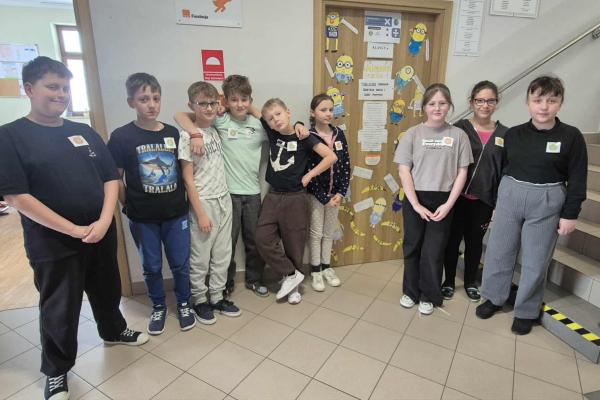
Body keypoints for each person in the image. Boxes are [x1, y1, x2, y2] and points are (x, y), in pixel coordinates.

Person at [0, 56, 148, 400]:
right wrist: (72, 230)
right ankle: (56, 370)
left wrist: (105, 220)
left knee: (107, 289)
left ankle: (113, 330)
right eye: (52, 87)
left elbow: (110, 177)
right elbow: (17, 196)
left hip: (99, 232)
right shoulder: (10, 136)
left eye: (65, 88)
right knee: (60, 307)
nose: (61, 94)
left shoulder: (83, 132)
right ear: (29, 89)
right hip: (53, 241)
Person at [476, 76, 588, 335]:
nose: (544, 106)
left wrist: (571, 214)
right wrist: (496, 205)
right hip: (510, 195)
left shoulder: (571, 136)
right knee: (498, 251)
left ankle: (526, 310)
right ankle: (494, 297)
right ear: (528, 103)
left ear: (560, 103)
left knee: (536, 260)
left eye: (551, 100)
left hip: (547, 200)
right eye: (537, 100)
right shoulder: (513, 134)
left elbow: (578, 177)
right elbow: (503, 170)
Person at [107, 73, 195, 335]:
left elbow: (183, 170)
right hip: (142, 217)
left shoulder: (172, 133)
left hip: (176, 214)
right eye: (144, 99)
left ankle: (184, 303)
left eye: (156, 98)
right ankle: (158, 305)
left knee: (180, 263)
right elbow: (115, 177)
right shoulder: (121, 137)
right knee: (152, 267)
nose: (152, 105)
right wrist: (127, 204)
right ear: (131, 102)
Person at [174, 75, 269, 298]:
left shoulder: (258, 125)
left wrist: (251, 108)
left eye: (244, 99)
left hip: (253, 193)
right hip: (227, 194)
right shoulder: (219, 121)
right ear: (225, 101)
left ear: (250, 100)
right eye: (234, 100)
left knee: (254, 240)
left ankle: (254, 279)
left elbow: (276, 123)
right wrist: (195, 133)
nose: (240, 104)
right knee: (227, 244)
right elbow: (180, 115)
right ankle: (225, 283)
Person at [394, 83, 473, 315]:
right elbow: (404, 170)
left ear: (449, 106)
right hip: (415, 197)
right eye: (432, 103)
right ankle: (410, 292)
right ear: (424, 107)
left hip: (444, 200)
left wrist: (448, 204)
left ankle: (429, 295)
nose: (437, 108)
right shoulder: (412, 134)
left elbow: (462, 172)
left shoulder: (459, 136)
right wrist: (416, 204)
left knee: (434, 249)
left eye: (442, 103)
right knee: (412, 246)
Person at [255, 98, 337, 304]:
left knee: (294, 243)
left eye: (278, 114)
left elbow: (331, 157)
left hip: (296, 198)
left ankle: (294, 288)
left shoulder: (305, 137)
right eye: (270, 118)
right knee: (262, 237)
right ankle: (291, 274)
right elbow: (254, 110)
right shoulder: (272, 132)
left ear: (288, 112)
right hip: (273, 196)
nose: (275, 120)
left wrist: (309, 175)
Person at [178, 81, 242, 325]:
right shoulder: (187, 135)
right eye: (202, 104)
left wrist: (219, 104)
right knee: (201, 257)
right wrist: (201, 214)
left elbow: (218, 105)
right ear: (191, 105)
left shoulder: (214, 129)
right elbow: (187, 179)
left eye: (212, 103)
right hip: (203, 203)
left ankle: (217, 297)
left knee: (223, 254)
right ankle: (199, 300)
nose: (208, 108)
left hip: (223, 198)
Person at [442, 81, 508, 302]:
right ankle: (448, 281)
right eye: (480, 100)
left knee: (475, 242)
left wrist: (498, 204)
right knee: (452, 241)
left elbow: (504, 171)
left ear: (496, 103)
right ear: (471, 103)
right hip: (456, 197)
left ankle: (470, 281)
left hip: (484, 200)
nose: (485, 105)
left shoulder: (505, 134)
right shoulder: (459, 128)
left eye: (490, 101)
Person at [306, 93, 351, 291]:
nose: (328, 113)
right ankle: (315, 270)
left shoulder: (339, 134)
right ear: (312, 112)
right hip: (317, 196)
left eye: (331, 109)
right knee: (316, 233)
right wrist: (323, 198)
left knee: (328, 232)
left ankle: (326, 267)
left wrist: (340, 193)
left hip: (336, 196)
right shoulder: (309, 136)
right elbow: (308, 169)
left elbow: (346, 164)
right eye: (323, 110)